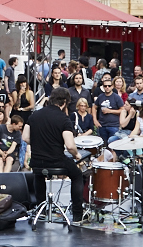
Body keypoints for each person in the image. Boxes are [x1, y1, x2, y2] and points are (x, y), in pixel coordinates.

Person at [23, 88, 84, 221]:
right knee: (78, 175)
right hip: (56, 160)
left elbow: (25, 137)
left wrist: (39, 141)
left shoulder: (34, 115)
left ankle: (41, 209)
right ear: (64, 102)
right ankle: (78, 214)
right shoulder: (64, 119)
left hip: (37, 160)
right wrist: (77, 155)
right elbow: (70, 145)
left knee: (38, 175)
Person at [92, 78, 124, 143]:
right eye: (105, 86)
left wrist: (110, 111)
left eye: (109, 86)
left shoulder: (116, 97)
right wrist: (95, 120)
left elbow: (122, 110)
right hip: (102, 125)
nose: (107, 87)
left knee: (113, 145)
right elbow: (94, 107)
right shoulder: (100, 96)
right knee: (103, 145)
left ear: (112, 86)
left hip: (114, 125)